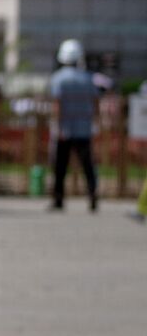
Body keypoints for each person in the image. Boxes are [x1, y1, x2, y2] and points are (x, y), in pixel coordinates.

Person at [49, 38, 100, 213]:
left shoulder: (58, 79)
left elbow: (57, 105)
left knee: (60, 166)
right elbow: (96, 103)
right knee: (88, 165)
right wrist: (94, 122)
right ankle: (92, 195)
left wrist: (57, 126)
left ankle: (58, 199)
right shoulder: (88, 78)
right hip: (84, 128)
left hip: (65, 129)